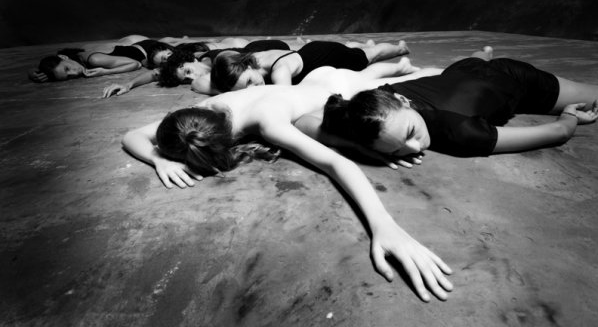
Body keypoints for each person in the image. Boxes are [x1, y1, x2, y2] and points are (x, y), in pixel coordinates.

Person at [121, 64, 451, 303]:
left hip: (340, 86)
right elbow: (132, 135)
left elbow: (335, 163)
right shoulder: (201, 111)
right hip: (315, 82)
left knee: (422, 79)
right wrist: (159, 159)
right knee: (388, 74)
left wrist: (384, 224)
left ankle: (424, 66)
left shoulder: (268, 122)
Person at [313, 52, 598, 163]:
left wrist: (569, 115)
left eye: (410, 133)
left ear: (402, 101)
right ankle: (481, 55)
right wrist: (365, 148)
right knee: (472, 65)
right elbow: (309, 121)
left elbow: (558, 133)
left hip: (513, 79)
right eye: (397, 150)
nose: (415, 147)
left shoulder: (461, 133)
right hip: (461, 68)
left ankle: (484, 57)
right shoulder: (374, 103)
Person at [101, 39, 287, 98]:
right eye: (186, 78)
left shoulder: (214, 59)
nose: (190, 78)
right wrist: (129, 84)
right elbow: (155, 74)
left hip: (268, 50)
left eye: (188, 71)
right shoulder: (202, 79)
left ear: (191, 59)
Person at [210, 40, 413, 92]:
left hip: (327, 56)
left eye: (249, 82)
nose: (253, 88)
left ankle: (400, 49)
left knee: (370, 56)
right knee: (358, 52)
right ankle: (357, 46)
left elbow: (285, 99)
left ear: (247, 67)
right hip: (311, 52)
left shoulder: (280, 72)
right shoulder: (250, 59)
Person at [29, 35, 176, 83]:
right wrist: (33, 73)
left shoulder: (94, 60)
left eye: (67, 69)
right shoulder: (75, 56)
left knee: (179, 50)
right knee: (172, 42)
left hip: (144, 48)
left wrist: (104, 72)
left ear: (63, 57)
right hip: (132, 42)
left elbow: (135, 64)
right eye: (68, 76)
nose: (74, 73)